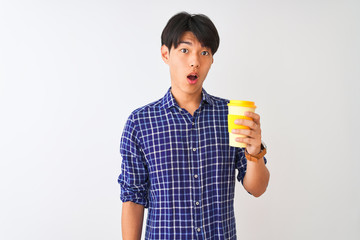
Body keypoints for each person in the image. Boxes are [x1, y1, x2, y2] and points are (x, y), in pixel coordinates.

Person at [118, 12, 270, 240]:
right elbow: (133, 198)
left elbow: (256, 188)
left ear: (211, 60)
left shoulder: (231, 115)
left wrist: (254, 150)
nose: (195, 61)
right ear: (165, 53)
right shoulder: (140, 123)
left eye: (205, 52)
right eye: (185, 50)